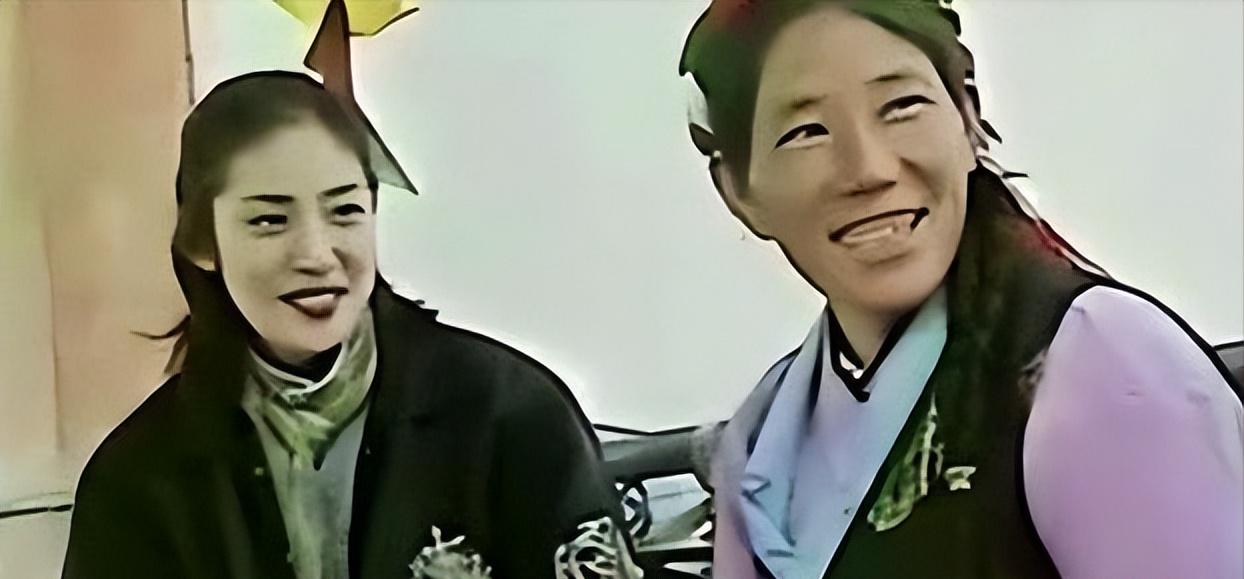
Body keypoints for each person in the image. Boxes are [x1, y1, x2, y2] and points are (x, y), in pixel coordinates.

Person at [677, 1, 1244, 578]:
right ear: (738, 192)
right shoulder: (763, 438)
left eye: (901, 106)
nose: (869, 169)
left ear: (968, 120)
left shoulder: (1101, 366)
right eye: (806, 133)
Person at [60, 69, 636, 579]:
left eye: (345, 211)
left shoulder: (508, 415)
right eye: (269, 220)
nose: (317, 253)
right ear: (202, 243)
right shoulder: (140, 478)